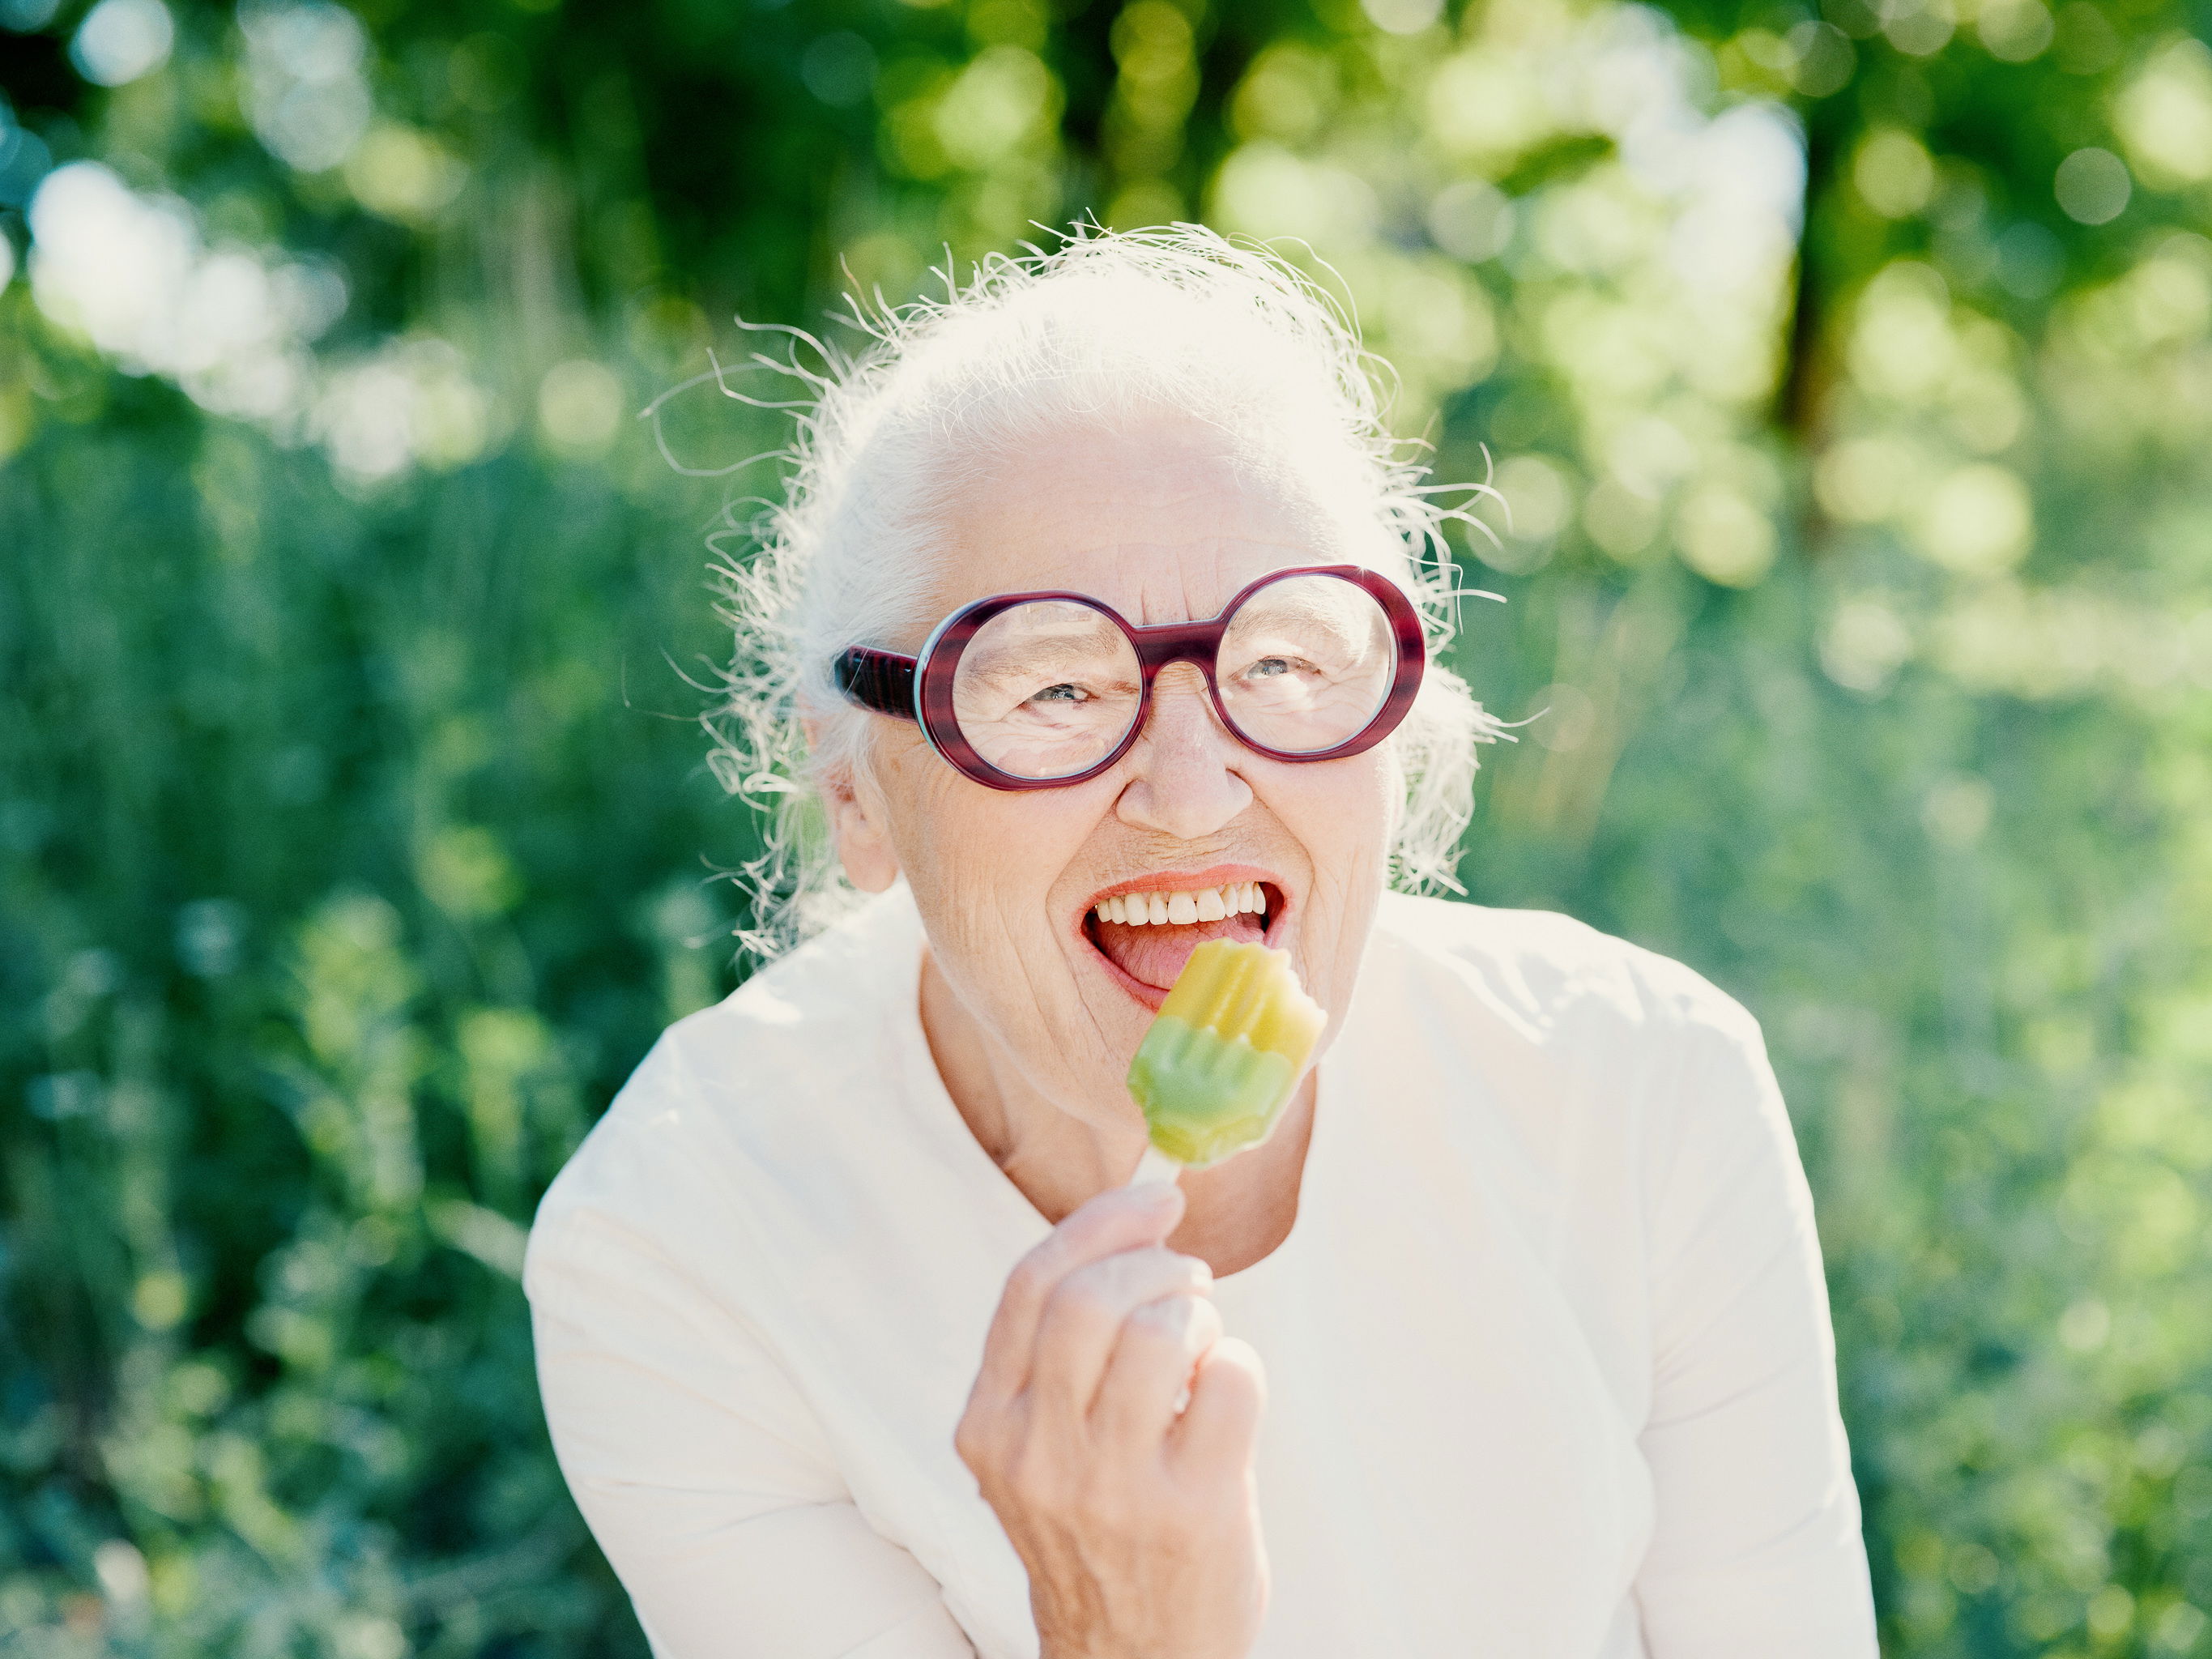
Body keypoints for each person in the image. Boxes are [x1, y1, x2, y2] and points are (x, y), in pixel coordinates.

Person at [523, 227, 1877, 1658]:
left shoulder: (1642, 1090)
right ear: (858, 795)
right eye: (1050, 685)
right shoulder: (683, 1242)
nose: (1191, 790)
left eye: (1284, 662)